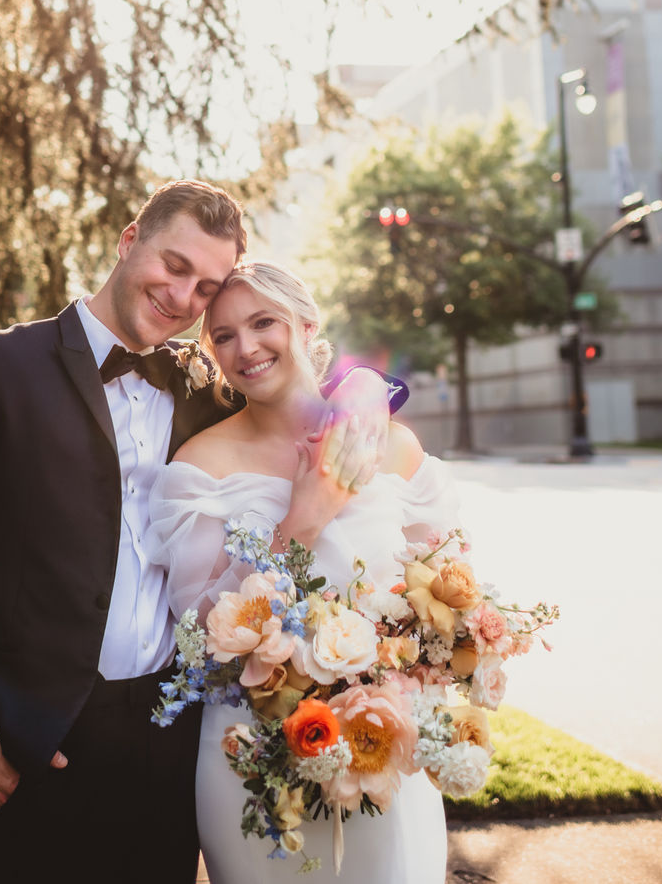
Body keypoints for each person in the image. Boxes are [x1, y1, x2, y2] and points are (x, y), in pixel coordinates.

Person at [0, 181, 402, 884]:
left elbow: (293, 391)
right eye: (174, 264)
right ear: (130, 239)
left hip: (174, 741)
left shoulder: (202, 387)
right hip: (31, 743)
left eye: (206, 286)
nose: (184, 295)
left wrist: (368, 385)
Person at [148, 261, 458, 883]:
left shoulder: (389, 444)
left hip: (384, 745)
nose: (247, 348)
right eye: (225, 336)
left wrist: (413, 680)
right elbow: (205, 634)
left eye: (265, 323)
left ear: (307, 325)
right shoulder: (200, 464)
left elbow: (447, 593)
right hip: (251, 755)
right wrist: (304, 519)